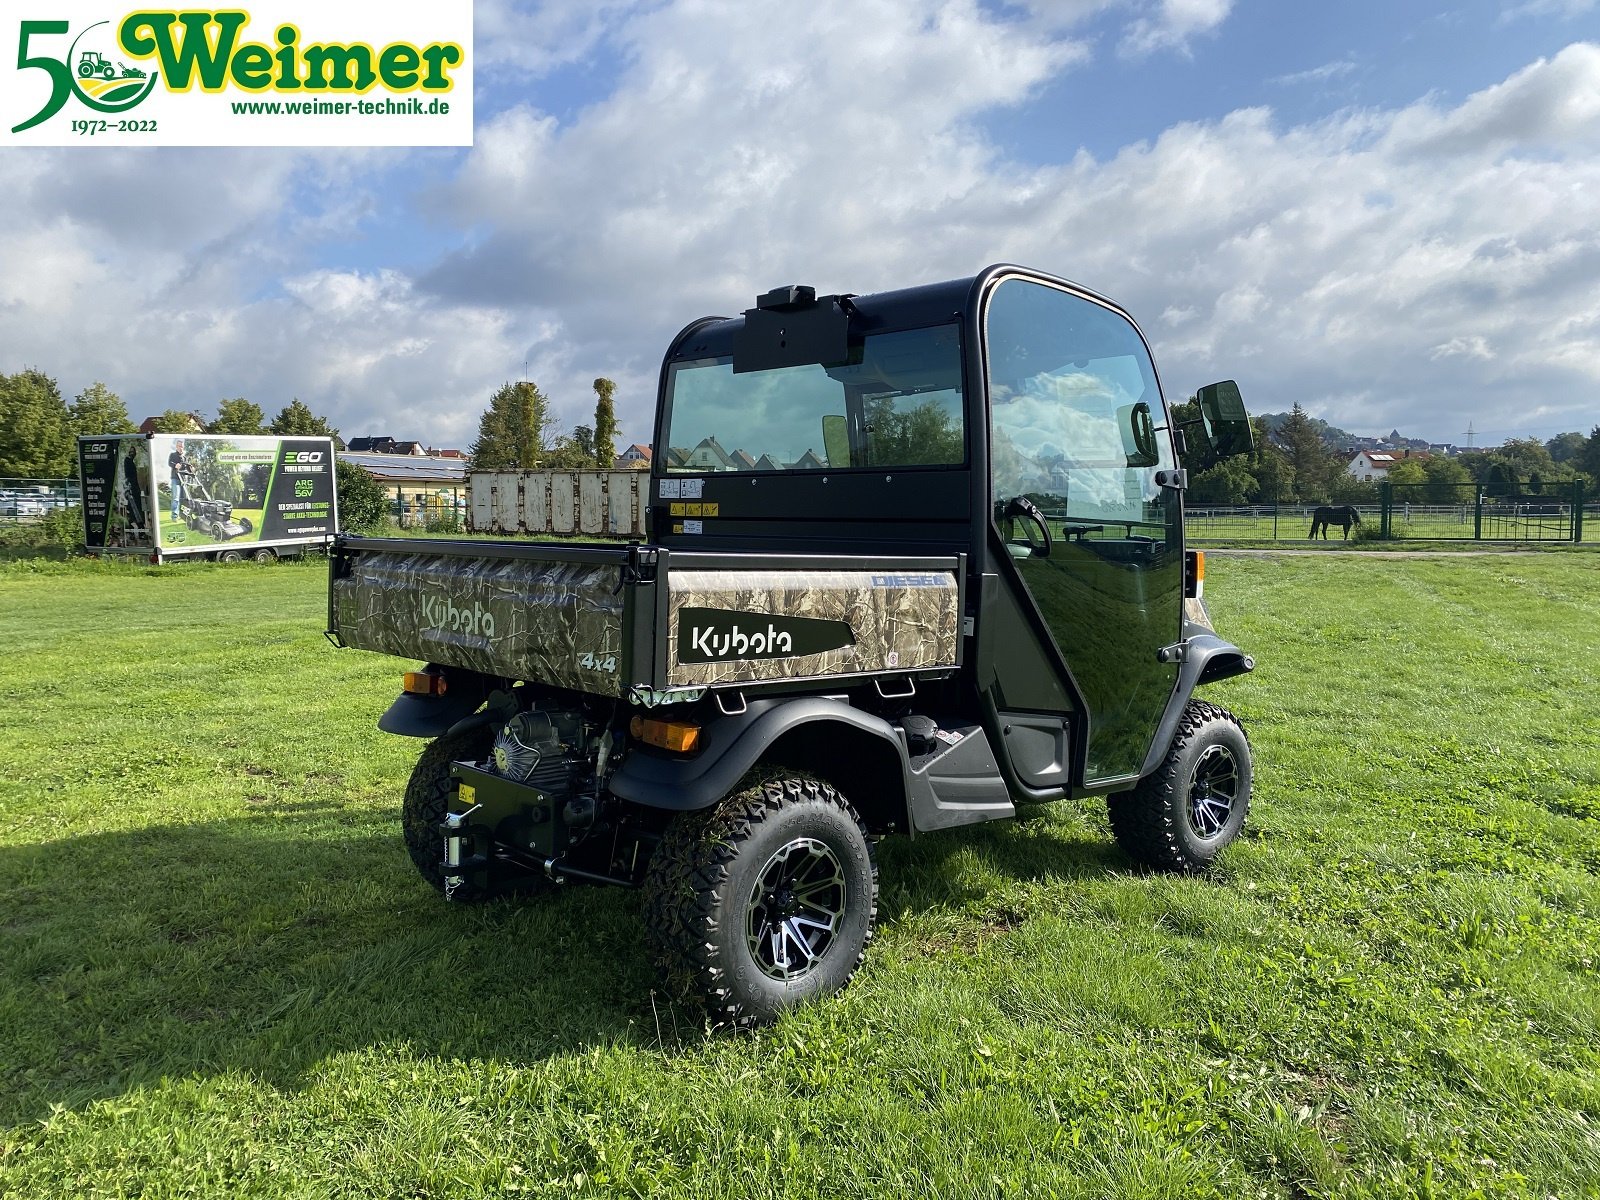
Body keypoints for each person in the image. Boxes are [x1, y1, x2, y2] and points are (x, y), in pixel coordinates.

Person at [168, 440, 186, 520]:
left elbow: (187, 468)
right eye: (179, 446)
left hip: (183, 480)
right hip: (175, 478)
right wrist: (175, 465)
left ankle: (182, 515)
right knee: (176, 498)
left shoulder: (184, 458)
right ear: (176, 447)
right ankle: (174, 516)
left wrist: (191, 468)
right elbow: (169, 463)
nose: (180, 448)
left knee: (183, 499)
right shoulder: (173, 455)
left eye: (182, 446)